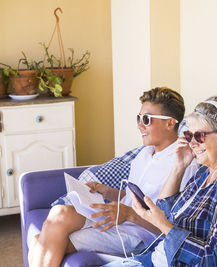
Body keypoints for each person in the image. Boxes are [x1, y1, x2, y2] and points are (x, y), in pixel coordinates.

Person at [28, 87, 198, 267]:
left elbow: (170, 228)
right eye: (138, 118)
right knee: (59, 214)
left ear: (170, 123)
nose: (140, 125)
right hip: (118, 219)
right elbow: (134, 197)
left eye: (146, 119)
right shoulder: (144, 154)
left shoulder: (183, 163)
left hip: (138, 234)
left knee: (42, 241)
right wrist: (107, 192)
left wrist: (128, 214)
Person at [104, 95, 217, 266]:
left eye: (199, 136)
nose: (192, 143)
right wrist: (178, 167)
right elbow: (167, 213)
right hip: (153, 259)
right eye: (189, 136)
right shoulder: (204, 173)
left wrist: (165, 226)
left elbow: (213, 260)